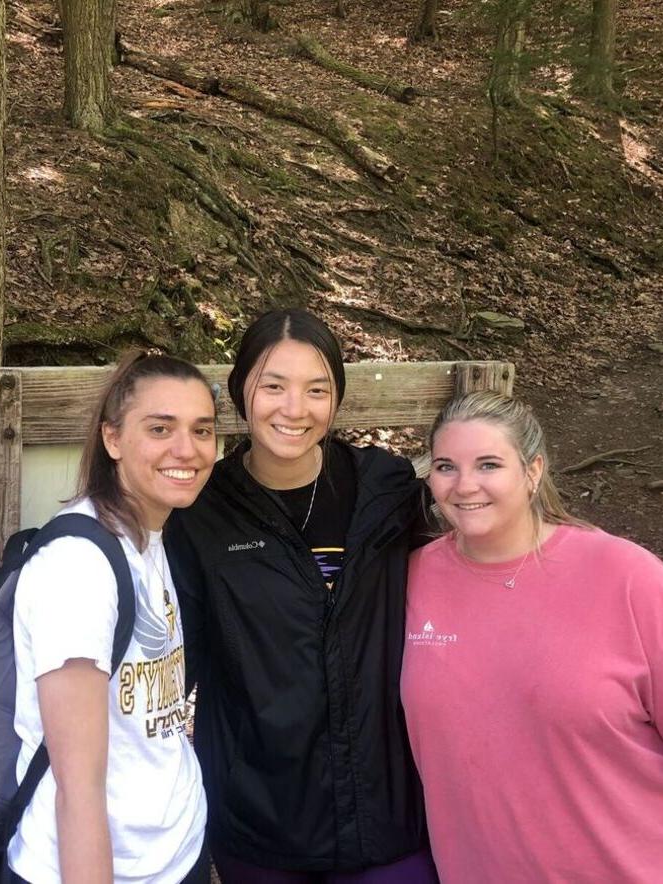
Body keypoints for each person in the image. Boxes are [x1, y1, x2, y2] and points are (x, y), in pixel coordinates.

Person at [403, 390, 663, 884]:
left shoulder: (627, 578)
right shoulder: (411, 580)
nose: (465, 485)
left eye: (489, 464)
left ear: (533, 471)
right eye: (446, 466)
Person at [166, 309, 436, 882]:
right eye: (273, 386)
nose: (294, 409)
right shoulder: (202, 513)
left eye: (317, 389)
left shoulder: (385, 489)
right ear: (242, 391)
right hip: (264, 824)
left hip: (392, 816)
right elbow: (171, 661)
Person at [5, 352, 217, 884]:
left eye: (202, 429)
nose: (186, 449)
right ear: (113, 439)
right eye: (160, 428)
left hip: (174, 850)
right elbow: (78, 789)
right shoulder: (79, 567)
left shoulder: (152, 536)